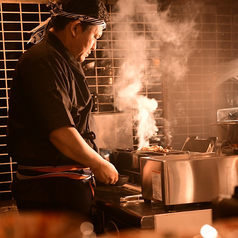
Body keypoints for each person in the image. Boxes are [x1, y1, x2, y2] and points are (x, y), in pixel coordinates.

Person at [7, 0, 118, 220]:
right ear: (76, 28)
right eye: (95, 37)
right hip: (50, 194)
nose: (95, 47)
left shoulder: (61, 60)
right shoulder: (43, 60)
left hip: (61, 191)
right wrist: (98, 163)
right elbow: (59, 131)